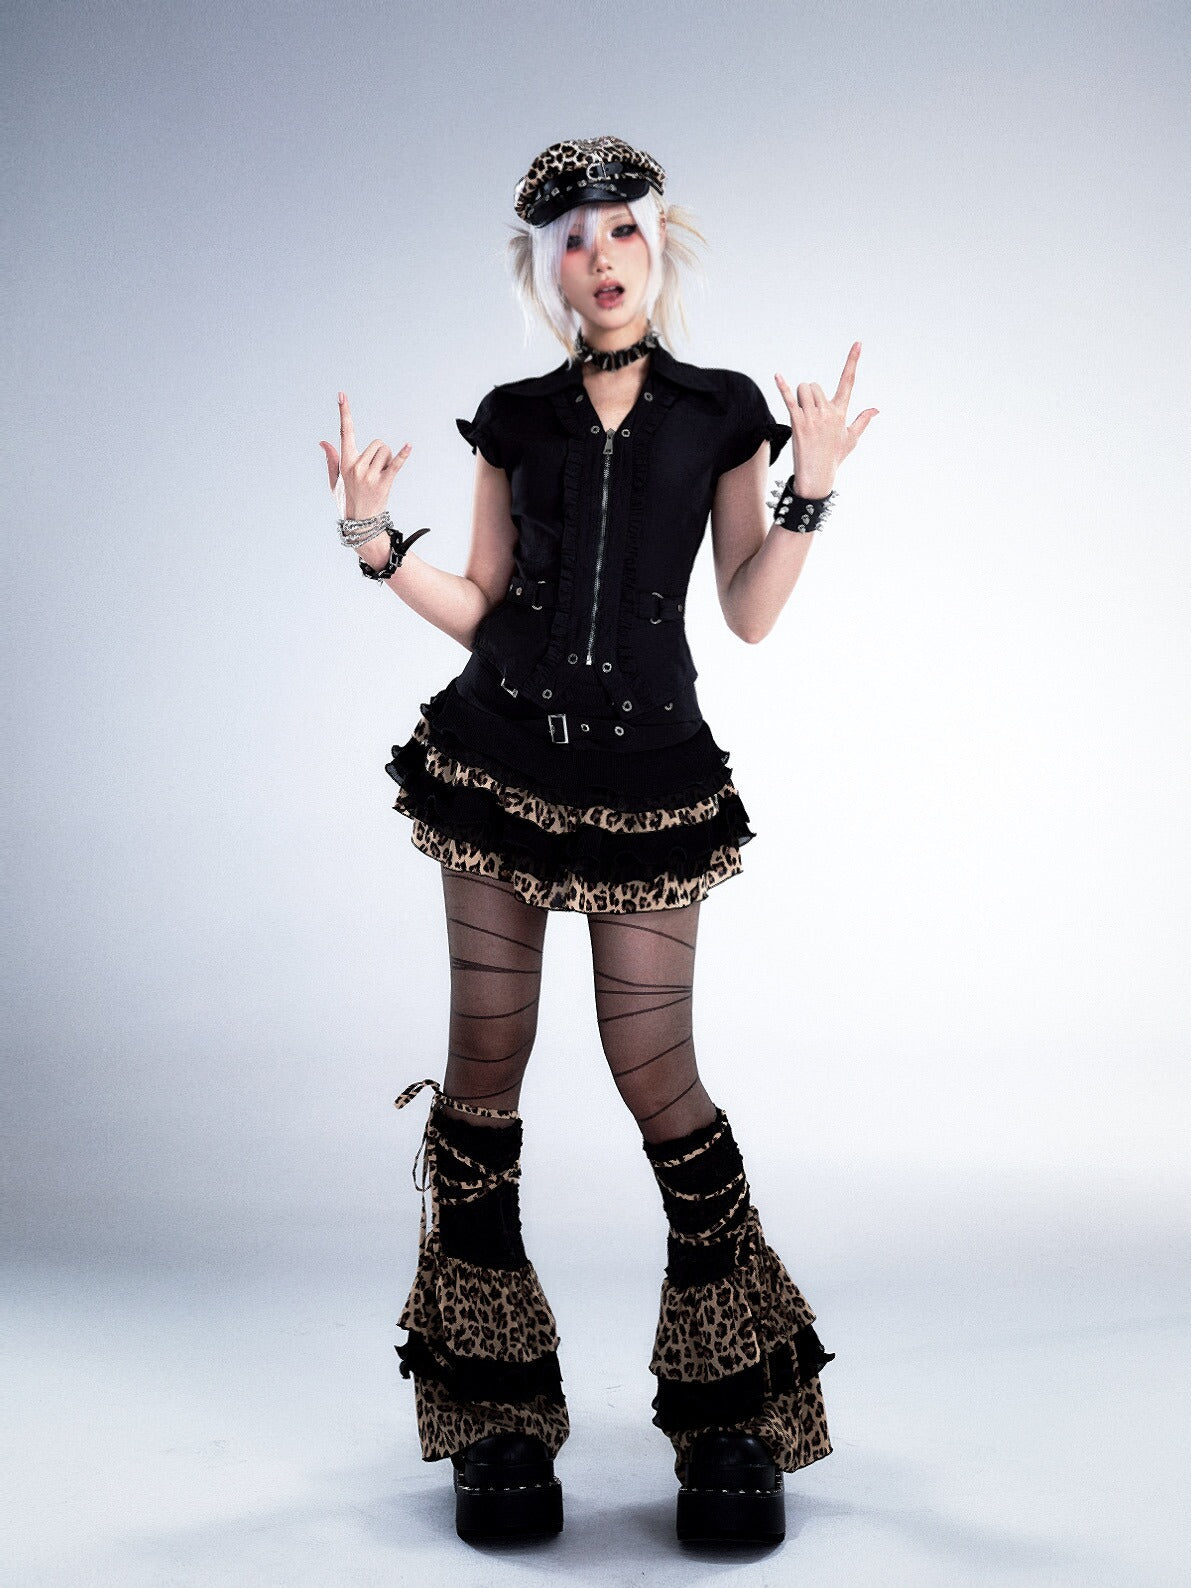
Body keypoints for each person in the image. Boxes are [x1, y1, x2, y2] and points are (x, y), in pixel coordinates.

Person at [319, 134, 876, 1547]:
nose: (600, 255)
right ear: (548, 270)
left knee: (657, 1077)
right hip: (498, 758)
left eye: (620, 228)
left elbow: (747, 610)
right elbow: (486, 602)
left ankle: (731, 1409)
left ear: (656, 243)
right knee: (484, 1068)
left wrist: (810, 488)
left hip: (647, 770)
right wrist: (378, 542)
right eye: (571, 238)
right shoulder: (516, 419)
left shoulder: (718, 410)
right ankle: (495, 1411)